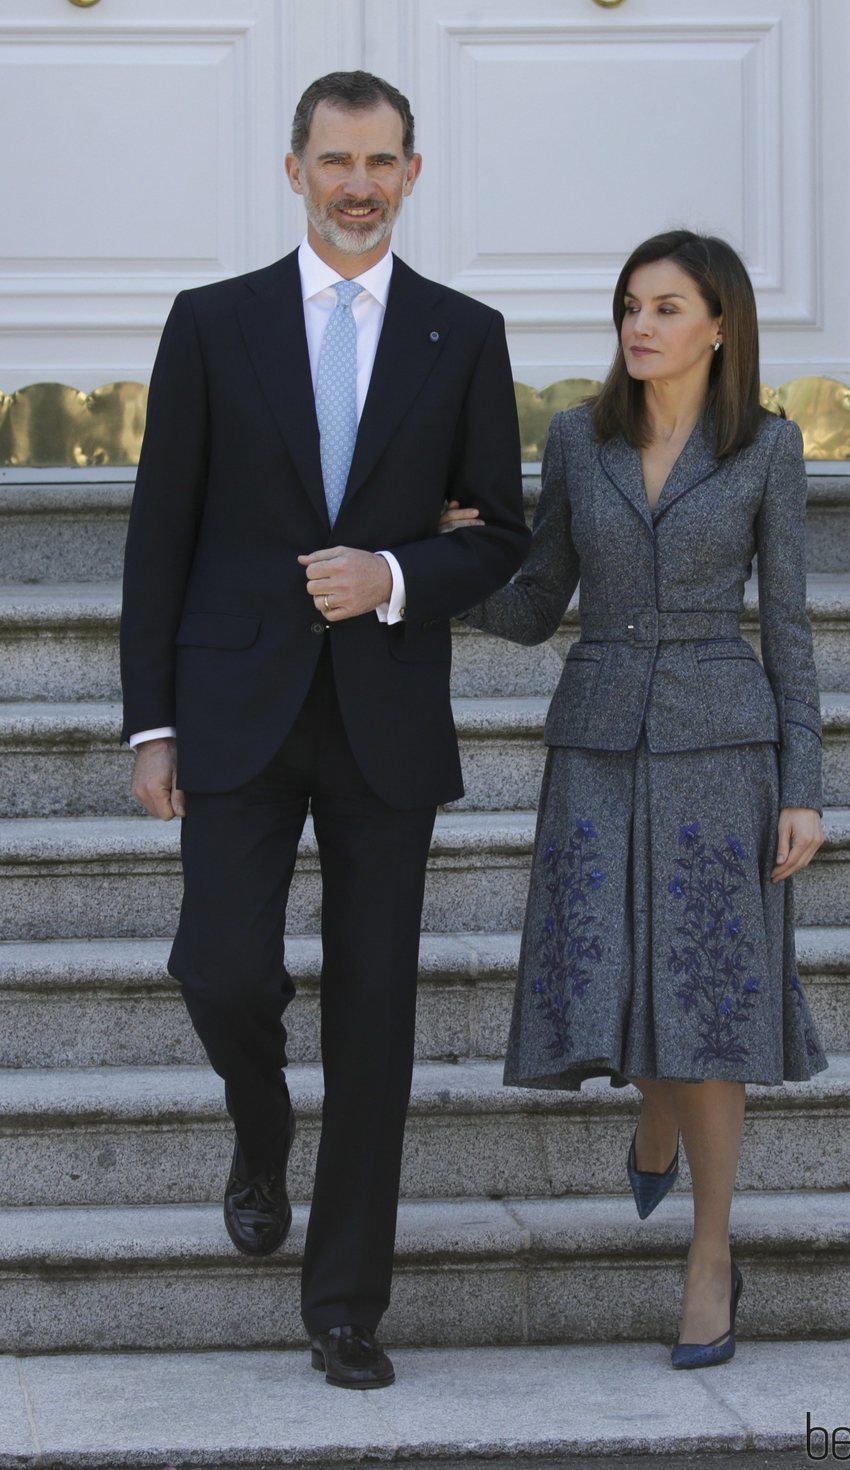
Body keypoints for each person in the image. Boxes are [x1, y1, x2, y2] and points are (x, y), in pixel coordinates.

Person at [120, 70, 529, 1390]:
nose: (358, 184)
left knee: (375, 1016)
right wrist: (151, 721)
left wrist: (397, 575)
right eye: (335, 160)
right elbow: (158, 534)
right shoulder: (212, 322)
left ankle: (345, 1303)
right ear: (293, 167)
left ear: (414, 172)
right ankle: (259, 1119)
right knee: (219, 967)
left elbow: (504, 540)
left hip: (385, 722)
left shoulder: (463, 334)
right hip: (234, 705)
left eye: (382, 162)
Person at [441, 229, 827, 1369]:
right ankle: (652, 1110)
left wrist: (802, 783)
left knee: (704, 992)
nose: (639, 326)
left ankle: (709, 1257)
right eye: (628, 307)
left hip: (722, 742)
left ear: (719, 325)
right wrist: (446, 571)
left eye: (665, 307)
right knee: (613, 965)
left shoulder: (766, 447)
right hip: (599, 737)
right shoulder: (576, 439)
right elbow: (537, 597)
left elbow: (790, 627)